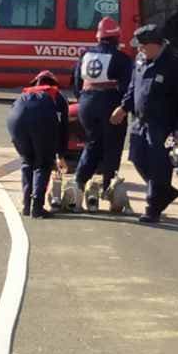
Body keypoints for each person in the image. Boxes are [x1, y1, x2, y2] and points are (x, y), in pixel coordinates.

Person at [112, 24, 178, 223]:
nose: (140, 50)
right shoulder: (140, 60)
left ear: (156, 44)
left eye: (143, 46)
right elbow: (133, 87)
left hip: (164, 125)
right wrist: (123, 107)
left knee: (159, 165)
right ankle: (165, 192)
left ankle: (152, 208)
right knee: (137, 158)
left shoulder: (175, 64)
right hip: (139, 121)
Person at [71, 18, 134, 210]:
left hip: (86, 104)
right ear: (117, 37)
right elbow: (128, 87)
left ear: (98, 36)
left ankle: (78, 183)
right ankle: (109, 188)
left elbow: (75, 84)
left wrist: (83, 99)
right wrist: (125, 107)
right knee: (112, 147)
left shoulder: (85, 55)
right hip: (110, 104)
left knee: (92, 143)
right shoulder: (121, 58)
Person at [7, 71, 69, 217]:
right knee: (42, 164)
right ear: (53, 84)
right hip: (41, 119)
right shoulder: (57, 96)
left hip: (16, 121)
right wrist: (61, 154)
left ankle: (27, 206)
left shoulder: (24, 94)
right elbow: (63, 128)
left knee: (27, 162)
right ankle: (37, 207)